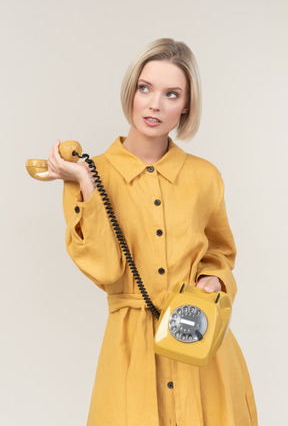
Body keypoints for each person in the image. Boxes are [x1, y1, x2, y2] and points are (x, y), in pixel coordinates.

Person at [47, 38, 257, 426]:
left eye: (171, 94)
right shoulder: (92, 176)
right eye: (145, 88)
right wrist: (87, 183)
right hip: (131, 351)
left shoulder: (204, 176)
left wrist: (213, 278)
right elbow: (107, 270)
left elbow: (220, 252)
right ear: (132, 90)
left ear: (186, 104)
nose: (154, 104)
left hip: (200, 344)